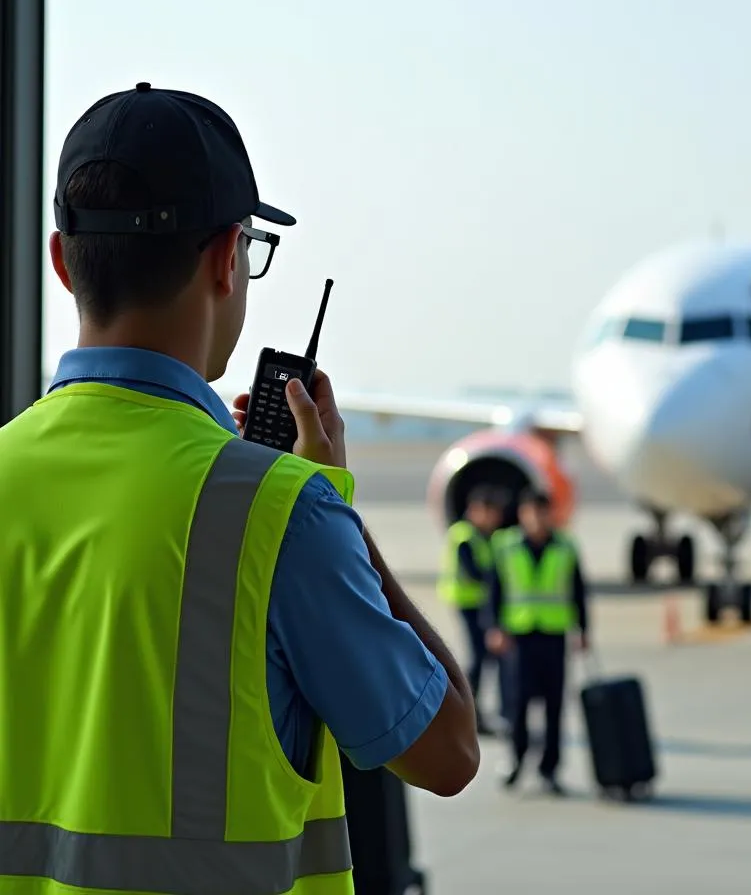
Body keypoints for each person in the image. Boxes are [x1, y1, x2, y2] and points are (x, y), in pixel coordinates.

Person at [0, 83, 479, 894]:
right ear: (228, 258)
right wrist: (335, 514)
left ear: (60, 260)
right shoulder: (279, 513)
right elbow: (450, 753)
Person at [486, 487, 590, 796]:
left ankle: (550, 769)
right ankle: (516, 760)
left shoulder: (566, 547)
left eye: (541, 512)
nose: (536, 519)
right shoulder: (505, 546)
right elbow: (494, 589)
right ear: (522, 515)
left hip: (554, 635)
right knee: (518, 703)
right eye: (531, 512)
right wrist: (494, 626)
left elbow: (578, 591)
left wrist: (583, 629)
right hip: (519, 635)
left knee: (554, 705)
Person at [438, 486, 509, 734]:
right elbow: (475, 573)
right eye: (492, 512)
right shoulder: (464, 536)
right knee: (478, 658)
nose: (496, 519)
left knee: (485, 658)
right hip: (468, 604)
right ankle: (468, 710)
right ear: (477, 510)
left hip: (482, 604)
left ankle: (475, 710)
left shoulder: (488, 536)